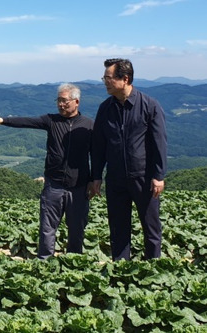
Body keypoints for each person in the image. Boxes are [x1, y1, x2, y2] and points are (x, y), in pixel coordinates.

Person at [0, 83, 94, 259]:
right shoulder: (51, 120)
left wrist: (95, 179)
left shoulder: (89, 125)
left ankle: (75, 262)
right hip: (53, 185)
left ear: (76, 102)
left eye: (64, 101)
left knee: (77, 228)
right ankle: (44, 262)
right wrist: (3, 120)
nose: (60, 104)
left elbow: (96, 155)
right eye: (58, 100)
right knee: (47, 228)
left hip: (79, 186)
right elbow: (28, 121)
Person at [91, 58, 167, 261]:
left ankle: (153, 269)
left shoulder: (149, 106)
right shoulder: (105, 108)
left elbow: (159, 143)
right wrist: (96, 176)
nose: (105, 82)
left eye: (108, 78)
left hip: (144, 178)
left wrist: (158, 175)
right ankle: (121, 270)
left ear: (124, 79)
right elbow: (99, 145)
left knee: (151, 228)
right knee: (118, 229)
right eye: (104, 77)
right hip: (115, 178)